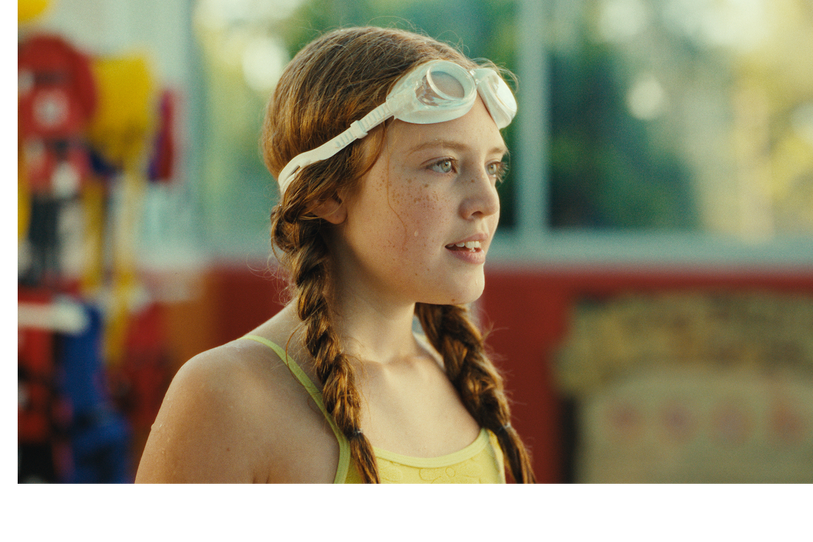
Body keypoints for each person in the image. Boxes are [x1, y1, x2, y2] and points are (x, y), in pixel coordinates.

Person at [135, 28, 533, 502]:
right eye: (443, 164)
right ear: (328, 192)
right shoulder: (228, 397)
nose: (486, 201)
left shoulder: (460, 383)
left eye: (492, 168)